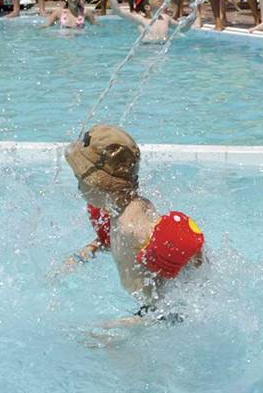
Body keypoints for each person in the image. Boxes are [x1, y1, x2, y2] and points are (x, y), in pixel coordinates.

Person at [63, 125, 204, 317]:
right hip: (152, 309)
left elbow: (181, 250)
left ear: (96, 183)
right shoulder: (125, 209)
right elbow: (123, 244)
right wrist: (89, 250)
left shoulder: (131, 225)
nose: (78, 187)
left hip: (158, 314)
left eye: (79, 179)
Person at [120, 0, 189, 42]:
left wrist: (192, 17)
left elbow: (182, 28)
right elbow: (118, 11)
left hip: (163, 49)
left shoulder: (165, 18)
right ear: (147, 7)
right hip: (148, 49)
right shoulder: (141, 20)